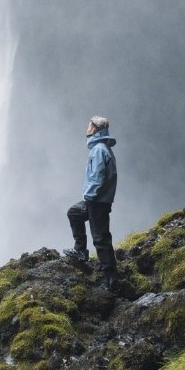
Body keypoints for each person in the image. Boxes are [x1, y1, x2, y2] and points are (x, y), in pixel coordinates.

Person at [65, 116, 119, 289]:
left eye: (89, 126)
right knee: (74, 213)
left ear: (95, 129)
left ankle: (110, 278)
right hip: (98, 200)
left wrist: (89, 196)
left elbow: (97, 178)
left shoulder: (98, 150)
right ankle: (80, 251)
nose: (87, 128)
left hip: (96, 201)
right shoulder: (102, 148)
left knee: (100, 237)